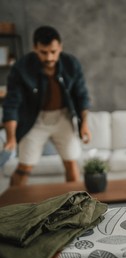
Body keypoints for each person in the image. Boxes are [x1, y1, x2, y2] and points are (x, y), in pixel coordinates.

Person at [2, 25, 91, 186]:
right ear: (35, 48)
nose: (49, 57)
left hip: (63, 117)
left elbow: (81, 96)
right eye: (44, 52)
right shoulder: (21, 68)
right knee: (24, 166)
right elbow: (12, 103)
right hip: (34, 120)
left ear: (60, 48)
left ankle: (77, 206)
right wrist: (10, 137)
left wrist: (84, 124)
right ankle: (10, 208)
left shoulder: (71, 64)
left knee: (71, 162)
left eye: (53, 52)